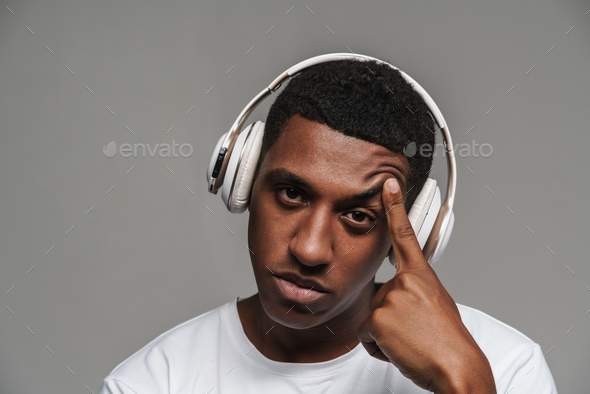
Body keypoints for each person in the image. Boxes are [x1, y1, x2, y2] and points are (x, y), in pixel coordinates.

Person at [99, 57, 557, 393]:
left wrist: (467, 386)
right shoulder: (151, 383)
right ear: (242, 179)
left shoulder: (506, 369)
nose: (311, 249)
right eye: (291, 194)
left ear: (413, 231)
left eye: (359, 216)